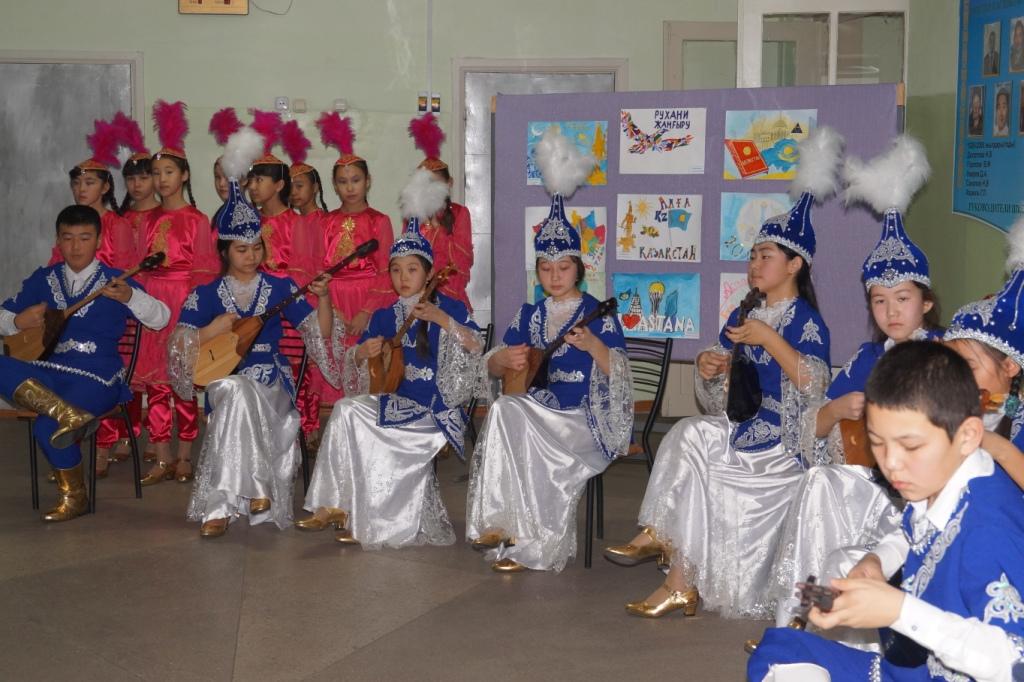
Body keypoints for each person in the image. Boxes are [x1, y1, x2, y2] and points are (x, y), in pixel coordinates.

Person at [603, 128, 840, 618]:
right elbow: (720, 397)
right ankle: (664, 545)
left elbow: (815, 385)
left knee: (701, 469)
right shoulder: (744, 312)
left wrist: (768, 339)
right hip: (743, 429)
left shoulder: (805, 322)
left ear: (794, 264)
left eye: (766, 257)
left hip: (782, 445)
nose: (754, 265)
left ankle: (679, 582)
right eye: (752, 256)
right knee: (688, 433)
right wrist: (711, 369)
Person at [755, 136, 941, 651]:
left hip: (916, 495)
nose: (891, 312)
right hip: (864, 482)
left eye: (902, 299)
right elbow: (811, 428)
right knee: (819, 483)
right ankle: (802, 615)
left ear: (926, 303)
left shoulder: (944, 357)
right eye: (879, 301)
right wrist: (837, 408)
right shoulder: (865, 358)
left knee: (824, 490)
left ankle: (810, 620)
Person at [748, 342, 1024, 682]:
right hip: (913, 670)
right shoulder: (943, 478)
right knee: (780, 648)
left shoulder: (990, 530)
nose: (891, 463)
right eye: (877, 443)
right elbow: (910, 533)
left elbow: (1013, 661)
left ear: (968, 436)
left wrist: (899, 610)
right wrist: (877, 560)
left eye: (910, 446)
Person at [466, 127, 632, 573]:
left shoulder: (598, 313)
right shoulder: (530, 313)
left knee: (516, 419)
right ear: (536, 270)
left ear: (579, 268)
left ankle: (529, 544)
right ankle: (503, 525)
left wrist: (593, 344)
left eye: (563, 267)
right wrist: (498, 360)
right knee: (507, 410)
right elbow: (495, 364)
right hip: (542, 410)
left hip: (584, 420)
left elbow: (621, 374)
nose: (554, 276)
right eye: (545, 267)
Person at [167, 128, 340, 538]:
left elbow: (319, 333)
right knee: (233, 391)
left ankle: (220, 508)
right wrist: (213, 328)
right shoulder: (206, 293)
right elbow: (179, 347)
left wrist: (324, 298)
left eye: (257, 248)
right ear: (224, 251)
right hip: (225, 379)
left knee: (238, 395)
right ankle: (256, 488)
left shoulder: (280, 287)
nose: (251, 256)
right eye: (242, 250)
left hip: (271, 382)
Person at [296, 169, 481, 548]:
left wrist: (442, 320)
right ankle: (333, 505)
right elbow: (352, 363)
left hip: (434, 409)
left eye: (412, 269)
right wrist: (360, 354)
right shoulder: (385, 315)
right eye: (396, 270)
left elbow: (476, 347)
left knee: (374, 431)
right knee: (346, 410)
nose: (403, 277)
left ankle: (372, 522)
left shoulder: (449, 306)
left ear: (429, 273)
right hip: (396, 402)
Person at [0, 205, 169, 521]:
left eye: (84, 237)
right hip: (49, 372)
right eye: (68, 238)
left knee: (48, 426)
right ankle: (69, 414)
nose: (76, 246)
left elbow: (161, 318)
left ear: (99, 240)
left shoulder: (116, 280)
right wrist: (17, 322)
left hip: (99, 377)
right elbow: (3, 316)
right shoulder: (44, 279)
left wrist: (130, 298)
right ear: (58, 240)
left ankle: (75, 496)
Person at [135, 100, 215, 486]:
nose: (161, 179)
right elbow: (138, 265)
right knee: (156, 384)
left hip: (184, 300)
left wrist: (194, 315)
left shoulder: (198, 220)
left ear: (183, 175)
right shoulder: (146, 219)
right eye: (156, 173)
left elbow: (205, 271)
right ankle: (161, 454)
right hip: (152, 301)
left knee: (182, 382)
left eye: (168, 172)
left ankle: (184, 454)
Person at [315, 111, 395, 403]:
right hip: (333, 301)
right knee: (336, 361)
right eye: (343, 182)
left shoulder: (379, 221)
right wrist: (331, 308)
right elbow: (319, 268)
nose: (350, 187)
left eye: (356, 180)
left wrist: (366, 312)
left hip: (368, 298)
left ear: (368, 181)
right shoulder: (325, 222)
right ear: (334, 185)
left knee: (367, 366)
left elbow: (386, 271)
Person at [408, 113, 474, 310]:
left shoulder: (460, 213)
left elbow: (463, 261)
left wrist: (437, 227)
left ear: (449, 183)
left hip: (449, 295)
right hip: (417, 295)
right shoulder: (413, 216)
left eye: (436, 185)